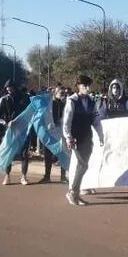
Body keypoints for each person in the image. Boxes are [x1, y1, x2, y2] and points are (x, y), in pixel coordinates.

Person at [63, 75, 103, 206]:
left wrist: (101, 135)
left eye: (88, 86)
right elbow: (67, 122)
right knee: (83, 164)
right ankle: (72, 192)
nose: (87, 88)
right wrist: (68, 138)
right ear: (78, 86)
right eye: (84, 85)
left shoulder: (91, 101)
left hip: (87, 137)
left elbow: (96, 120)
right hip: (75, 138)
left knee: (83, 165)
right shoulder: (72, 100)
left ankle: (76, 193)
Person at [0, 80, 31, 185]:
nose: (8, 89)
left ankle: (23, 176)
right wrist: (5, 123)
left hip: (23, 129)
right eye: (7, 87)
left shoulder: (24, 98)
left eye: (10, 87)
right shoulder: (3, 99)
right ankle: (7, 176)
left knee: (24, 153)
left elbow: (29, 111)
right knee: (9, 153)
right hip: (9, 129)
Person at [42, 86, 68, 183]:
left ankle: (63, 177)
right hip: (50, 131)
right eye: (61, 93)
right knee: (47, 154)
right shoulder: (49, 104)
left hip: (61, 131)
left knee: (63, 153)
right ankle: (47, 176)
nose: (63, 95)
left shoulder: (66, 104)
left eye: (64, 94)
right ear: (55, 93)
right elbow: (44, 115)